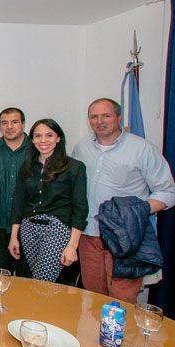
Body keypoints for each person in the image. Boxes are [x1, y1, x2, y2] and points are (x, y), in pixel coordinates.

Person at [72, 98, 175, 303]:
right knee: (93, 297)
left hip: (124, 239)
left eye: (106, 115)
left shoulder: (142, 149)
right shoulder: (82, 147)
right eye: (94, 116)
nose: (99, 121)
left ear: (118, 117)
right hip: (89, 235)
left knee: (122, 300)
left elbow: (167, 192)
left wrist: (135, 211)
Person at [8, 119, 87, 282]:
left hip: (57, 230)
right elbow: (18, 202)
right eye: (38, 136)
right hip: (29, 228)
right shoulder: (28, 167)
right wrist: (13, 236)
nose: (43, 141)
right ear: (32, 140)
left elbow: (80, 207)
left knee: (42, 280)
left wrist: (73, 246)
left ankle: (39, 307)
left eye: (49, 135)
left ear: (58, 138)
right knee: (34, 279)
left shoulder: (74, 167)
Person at [0, 107, 29, 274]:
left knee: (26, 275)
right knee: (2, 272)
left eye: (14, 122)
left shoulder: (36, 149)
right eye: (5, 123)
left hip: (28, 224)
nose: (9, 127)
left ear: (23, 124)